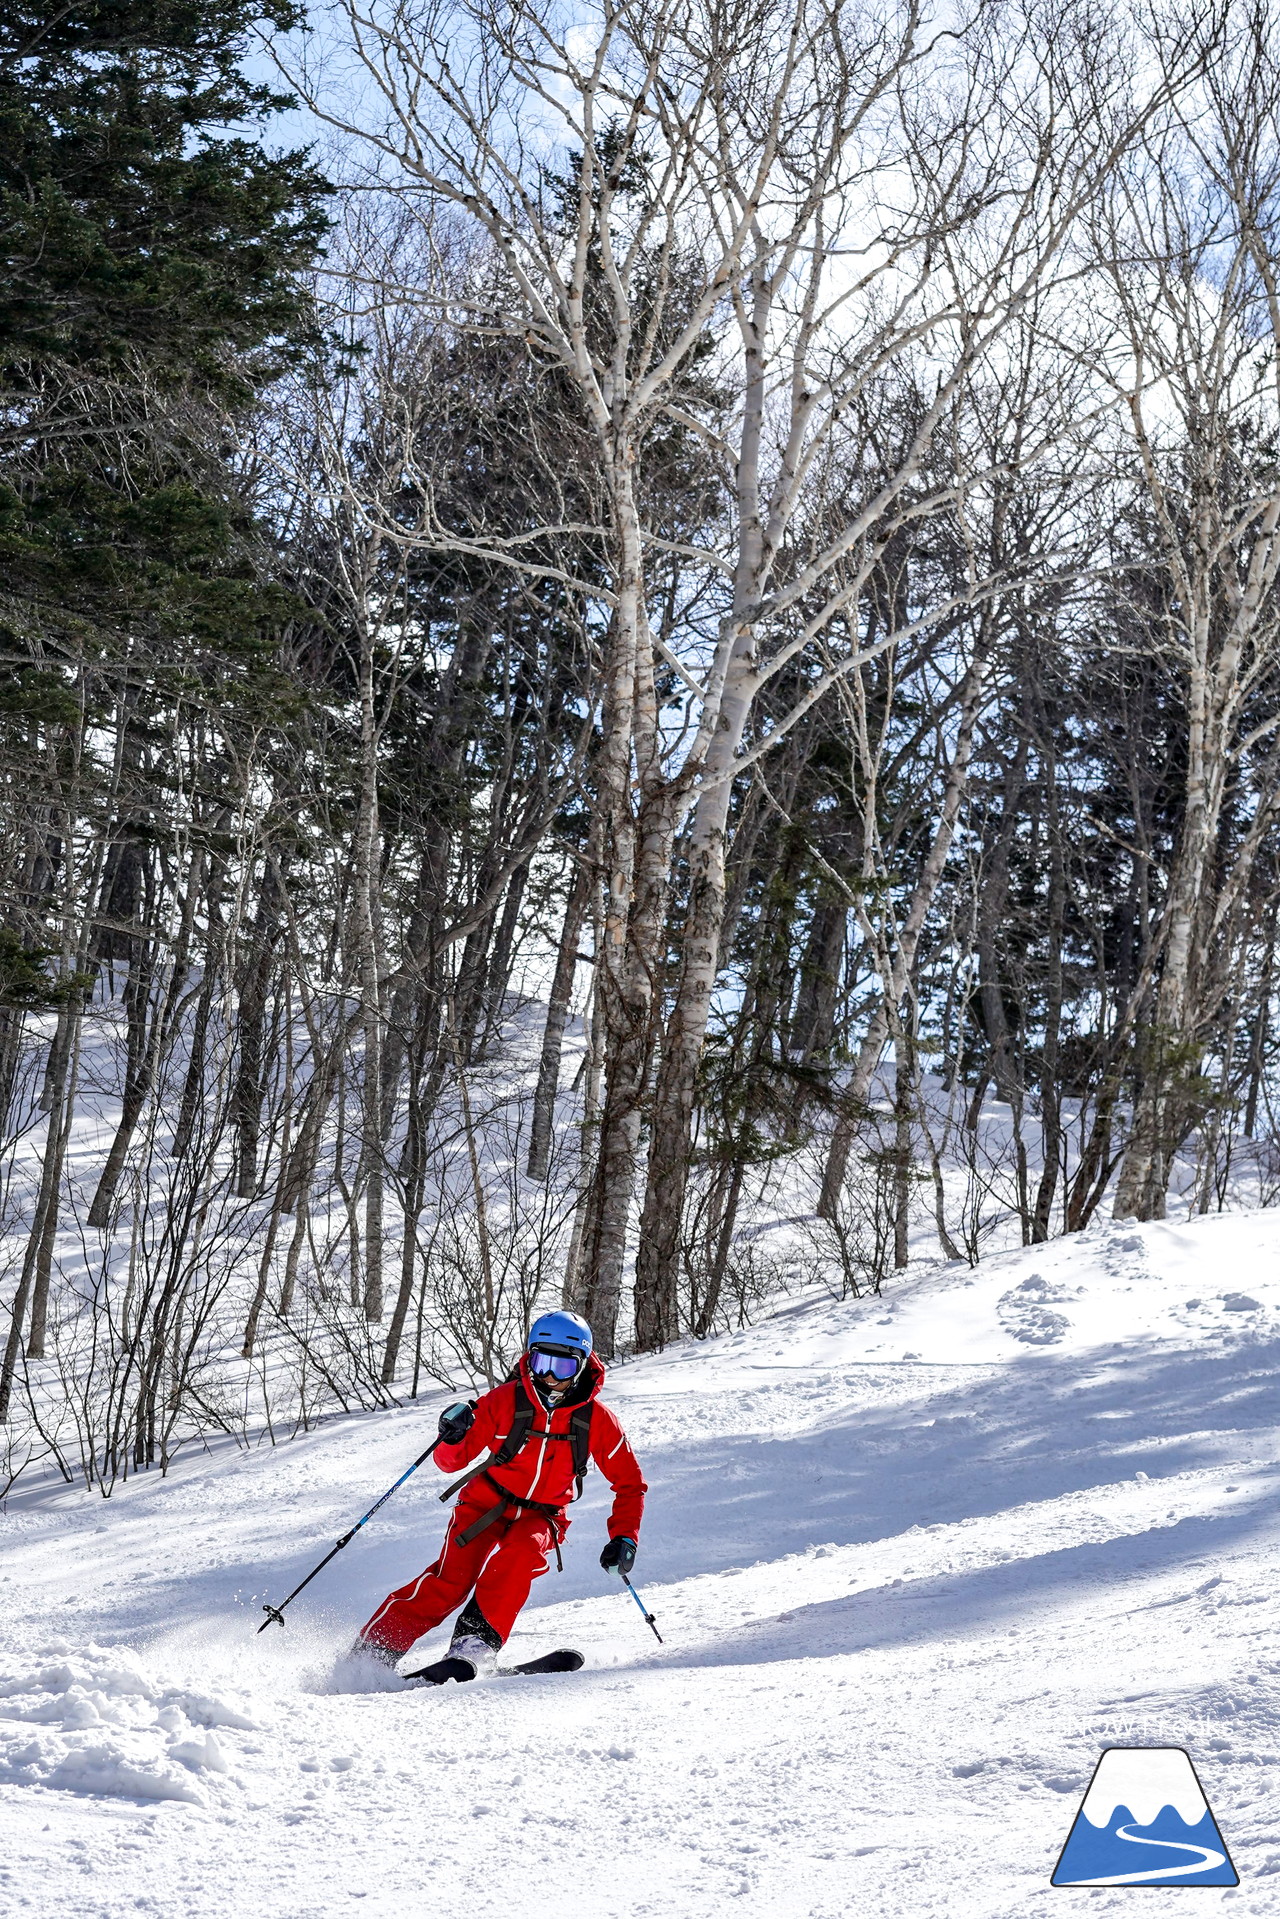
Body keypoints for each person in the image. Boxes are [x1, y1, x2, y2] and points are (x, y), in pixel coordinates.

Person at [355, 1311, 646, 1678]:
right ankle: (370, 1654)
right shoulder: (504, 1401)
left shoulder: (596, 1420)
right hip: (484, 1504)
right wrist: (454, 1434)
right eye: (542, 1363)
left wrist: (624, 1537)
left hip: (544, 1515)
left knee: (519, 1558)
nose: (551, 1377)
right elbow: (450, 1462)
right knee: (451, 1581)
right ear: (530, 1357)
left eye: (563, 1366)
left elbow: (630, 1484)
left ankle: (474, 1645)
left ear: (583, 1365)